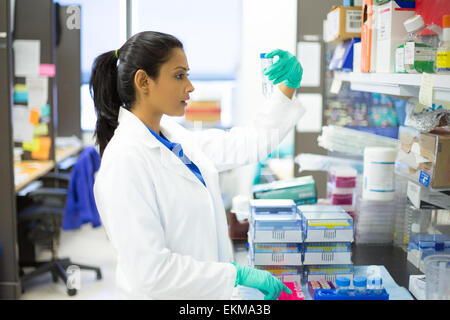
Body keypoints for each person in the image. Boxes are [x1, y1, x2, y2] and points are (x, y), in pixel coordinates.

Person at [91, 31, 305, 300]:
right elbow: (150, 274)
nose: (190, 86)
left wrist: (287, 87)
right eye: (179, 75)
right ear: (144, 81)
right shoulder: (125, 160)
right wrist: (233, 275)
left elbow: (248, 144)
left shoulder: (173, 138)